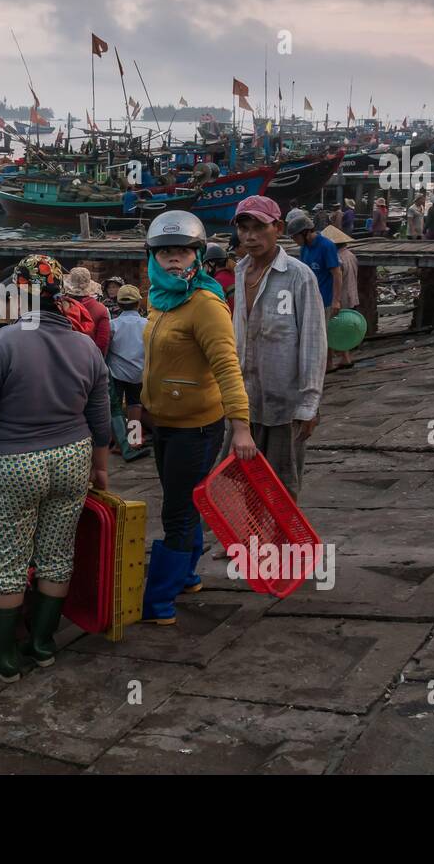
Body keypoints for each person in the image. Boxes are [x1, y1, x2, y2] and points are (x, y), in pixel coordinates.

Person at [0, 254, 110, 681]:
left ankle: (5, 657)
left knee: (8, 561)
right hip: (72, 458)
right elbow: (101, 416)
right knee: (57, 555)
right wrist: (100, 467)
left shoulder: (4, 343)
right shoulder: (84, 346)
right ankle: (42, 645)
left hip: (12, 464)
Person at [139, 212, 254, 624]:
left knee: (176, 513)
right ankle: (187, 576)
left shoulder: (205, 303)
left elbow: (227, 365)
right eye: (166, 253)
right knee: (184, 505)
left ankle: (158, 603)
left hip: (197, 428)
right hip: (164, 423)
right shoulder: (159, 299)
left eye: (182, 253)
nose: (174, 261)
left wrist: (241, 425)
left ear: (197, 256)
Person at [230, 197, 326, 500]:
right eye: (244, 229)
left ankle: (277, 545)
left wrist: (309, 404)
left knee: (281, 486)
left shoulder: (299, 276)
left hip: (285, 404)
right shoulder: (240, 271)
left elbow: (313, 340)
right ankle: (245, 544)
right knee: (241, 479)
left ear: (278, 228)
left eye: (259, 227)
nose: (250, 236)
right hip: (244, 400)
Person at [106, 284, 151, 461]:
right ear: (138, 302)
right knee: (134, 405)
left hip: (116, 372)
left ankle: (119, 443)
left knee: (115, 409)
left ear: (118, 304)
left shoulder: (113, 325)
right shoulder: (147, 324)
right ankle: (135, 440)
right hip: (139, 372)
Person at [286, 208, 341, 325]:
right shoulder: (304, 248)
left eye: (295, 237)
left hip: (325, 300)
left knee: (323, 334)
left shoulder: (327, 246)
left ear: (306, 233)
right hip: (309, 299)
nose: (294, 241)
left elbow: (337, 274)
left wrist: (336, 301)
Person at [324, 225, 359, 370]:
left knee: (330, 329)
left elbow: (334, 279)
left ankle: (329, 362)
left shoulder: (336, 258)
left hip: (339, 297)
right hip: (351, 294)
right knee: (342, 329)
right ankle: (345, 357)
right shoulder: (351, 255)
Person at [63, 266, 111, 354]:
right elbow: (102, 342)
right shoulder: (101, 309)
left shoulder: (61, 306)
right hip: (89, 357)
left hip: (64, 356)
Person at [202, 243, 235, 309]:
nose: (206, 269)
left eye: (206, 265)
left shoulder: (216, 282)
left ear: (212, 263)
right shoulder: (234, 275)